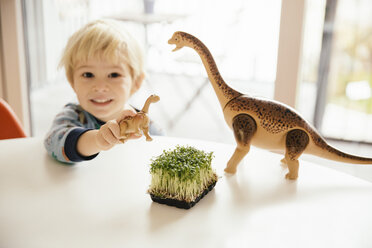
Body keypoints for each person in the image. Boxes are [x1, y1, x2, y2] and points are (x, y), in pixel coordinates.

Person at [44, 19, 163, 164]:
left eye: (114, 75)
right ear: (72, 81)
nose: (100, 87)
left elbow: (165, 152)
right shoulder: (73, 116)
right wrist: (97, 140)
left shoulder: (147, 126)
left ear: (136, 82)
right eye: (88, 74)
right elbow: (54, 143)